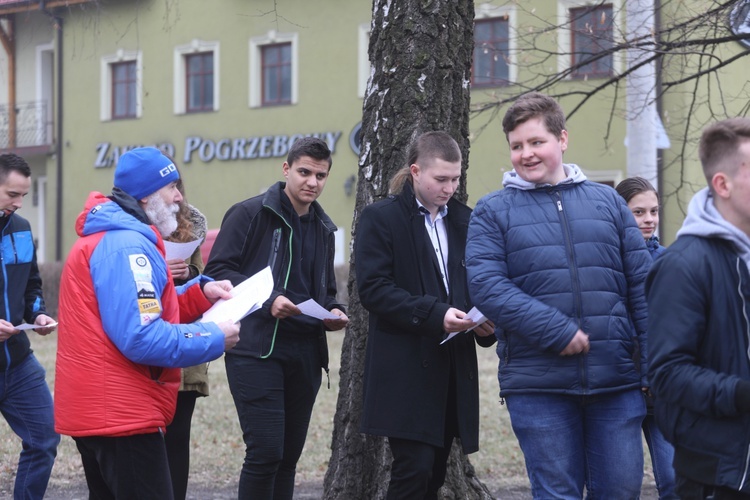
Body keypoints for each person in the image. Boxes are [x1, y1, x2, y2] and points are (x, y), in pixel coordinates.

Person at [465, 92, 652, 499]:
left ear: (562, 139)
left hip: (616, 382)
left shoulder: (608, 203)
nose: (526, 154)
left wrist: (653, 365)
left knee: (621, 492)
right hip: (538, 387)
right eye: (517, 146)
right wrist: (556, 331)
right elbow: (486, 285)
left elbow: (642, 286)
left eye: (536, 142)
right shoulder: (493, 210)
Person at [54, 147, 241, 499]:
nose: (179, 197)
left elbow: (145, 311)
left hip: (107, 410)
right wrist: (212, 336)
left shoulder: (117, 239)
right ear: (146, 196)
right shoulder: (127, 248)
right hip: (121, 415)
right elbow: (141, 337)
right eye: (171, 187)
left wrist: (202, 292)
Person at [203, 136, 348, 500]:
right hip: (255, 350)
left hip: (306, 354)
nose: (312, 182)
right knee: (266, 453)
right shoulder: (249, 214)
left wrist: (335, 311)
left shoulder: (324, 229)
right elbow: (218, 274)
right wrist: (270, 301)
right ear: (286, 170)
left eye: (321, 175)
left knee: (287, 459)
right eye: (304, 172)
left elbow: (325, 290)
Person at [355, 131, 496, 499]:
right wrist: (436, 314)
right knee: (413, 471)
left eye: (455, 179)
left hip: (452, 369)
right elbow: (374, 289)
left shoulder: (466, 220)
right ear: (415, 172)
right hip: (406, 369)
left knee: (434, 475)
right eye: (441, 179)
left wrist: (485, 324)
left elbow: (478, 283)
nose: (449, 188)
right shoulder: (381, 218)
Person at [647, 117, 750, 499]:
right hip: (718, 476)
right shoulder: (682, 265)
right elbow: (668, 375)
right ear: (722, 184)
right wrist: (742, 393)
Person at [0, 153, 59, 500]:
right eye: (12, 195)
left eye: (24, 195)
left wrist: (37, 314)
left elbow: (32, 285)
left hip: (17, 362)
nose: (19, 203)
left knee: (45, 438)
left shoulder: (21, 229)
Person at [616, 176, 676, 499]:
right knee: (620, 485)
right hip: (618, 387)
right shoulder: (606, 261)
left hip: (661, 387)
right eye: (638, 212)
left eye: (653, 211)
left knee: (674, 480)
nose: (649, 219)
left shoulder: (668, 260)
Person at [164, 173, 211, 500]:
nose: (175, 194)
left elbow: (201, 275)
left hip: (184, 342)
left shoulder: (190, 224)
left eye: (177, 186)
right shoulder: (129, 226)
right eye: (168, 187)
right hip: (149, 346)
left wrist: (189, 273)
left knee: (178, 437)